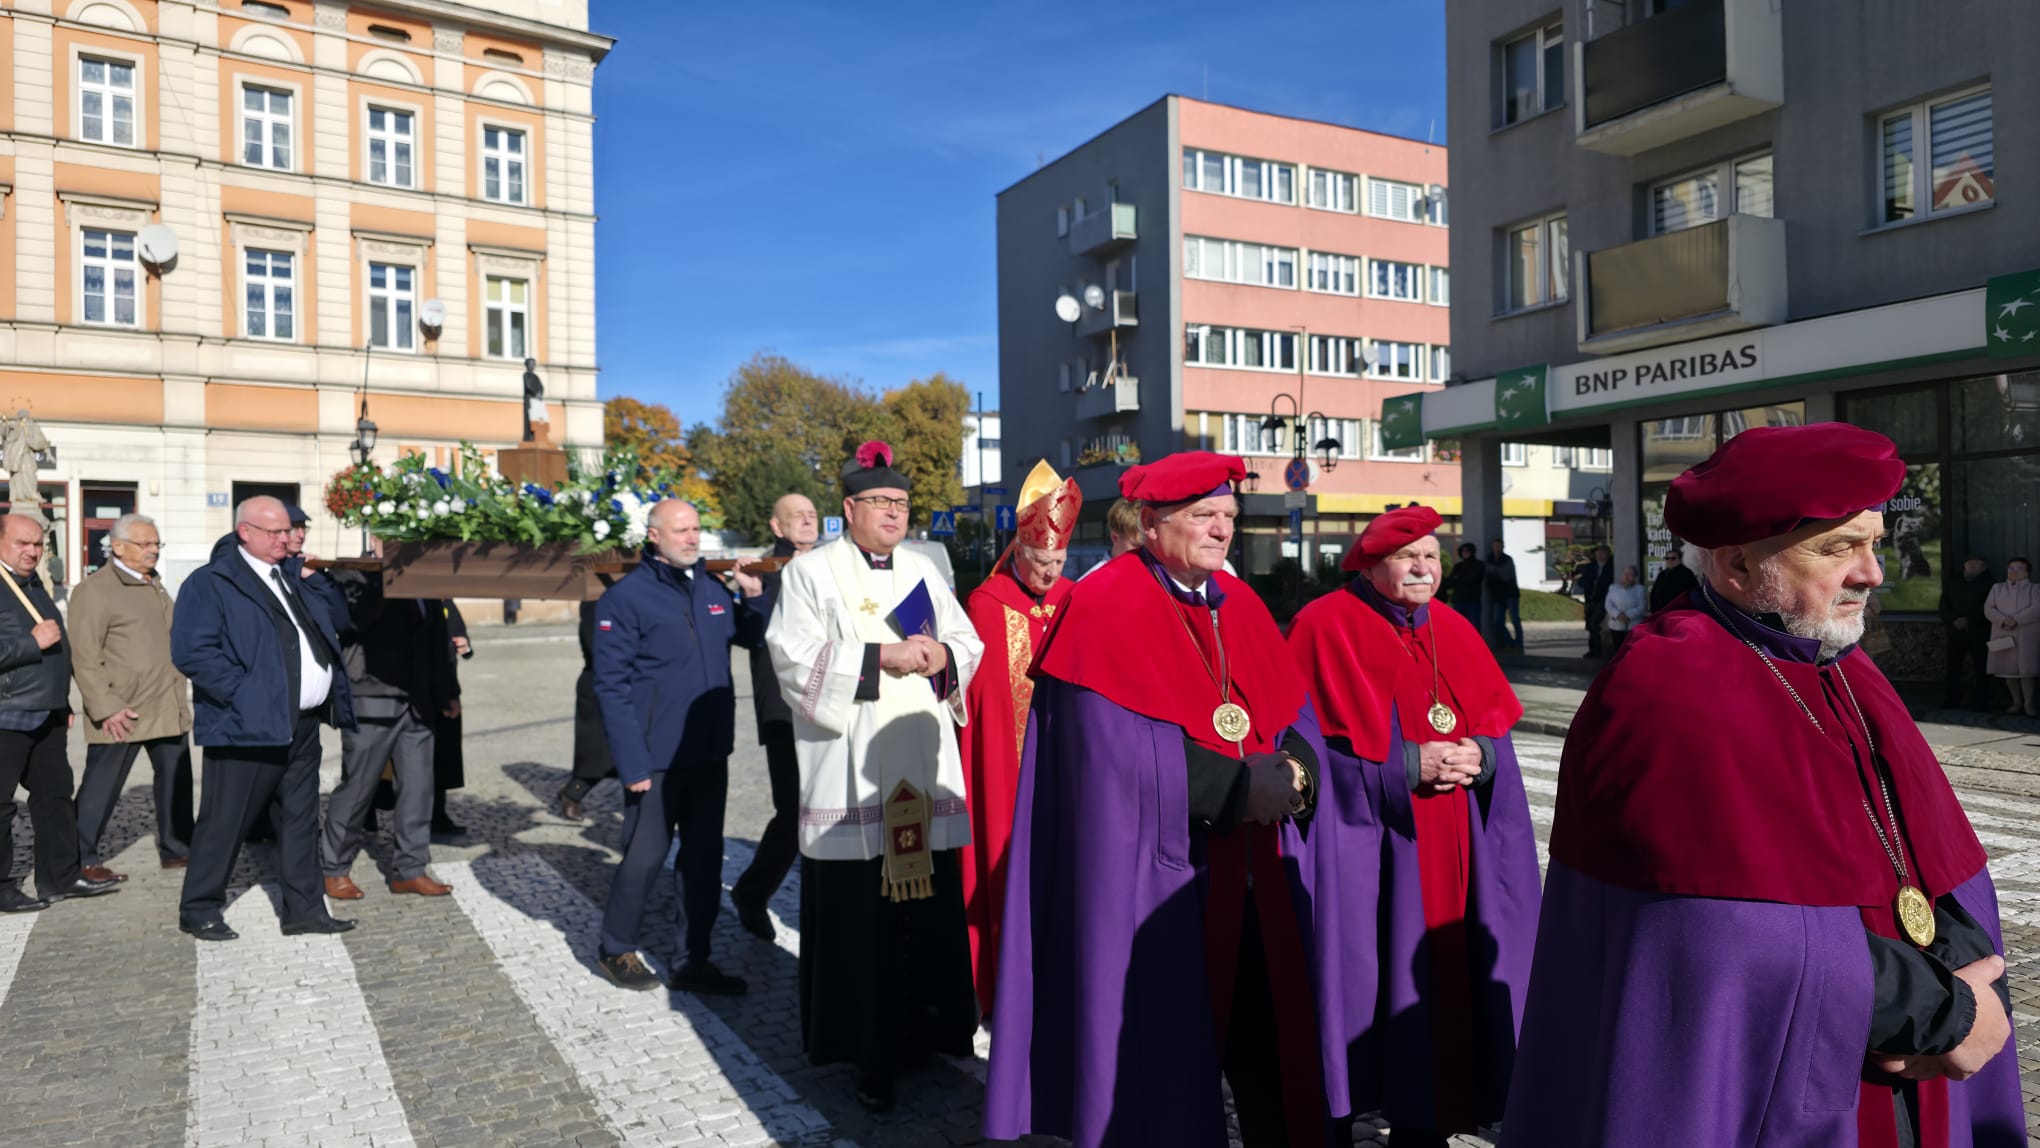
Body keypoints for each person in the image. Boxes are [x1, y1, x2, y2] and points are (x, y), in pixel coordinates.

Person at [1507, 424, 2023, 1146]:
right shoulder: (1666, 688)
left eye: (1873, 543)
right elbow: (1720, 938)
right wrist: (1943, 1012)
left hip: (1903, 1041)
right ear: (1738, 564)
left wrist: (1959, 961)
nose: (1872, 573)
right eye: (1839, 547)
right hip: (1782, 1081)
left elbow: (1923, 850)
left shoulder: (1833, 660)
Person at [986, 451, 1333, 1148]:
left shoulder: (1241, 602)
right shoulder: (1101, 605)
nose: (1221, 530)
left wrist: (1294, 774)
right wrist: (1239, 788)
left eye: (1229, 517)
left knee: (1276, 1067)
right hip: (1160, 885)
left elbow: (1295, 712)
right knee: (1163, 1076)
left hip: (1257, 882)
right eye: (1203, 516)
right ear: (1150, 524)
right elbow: (1106, 760)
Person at [1287, 506, 1539, 1148]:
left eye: (1432, 555)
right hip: (1369, 857)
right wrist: (1403, 764)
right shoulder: (1323, 627)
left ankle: (1425, 1130)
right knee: (1357, 996)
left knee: (1441, 1002)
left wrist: (1480, 758)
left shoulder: (1453, 626)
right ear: (1370, 565)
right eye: (1408, 557)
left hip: (1453, 853)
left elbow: (1493, 731)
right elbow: (1301, 754)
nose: (1424, 567)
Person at [765, 440, 984, 1113]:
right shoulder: (813, 573)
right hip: (851, 773)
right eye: (881, 503)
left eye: (902, 503)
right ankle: (869, 1054)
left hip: (922, 762)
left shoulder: (923, 568)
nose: (894, 513)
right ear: (849, 507)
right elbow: (791, 657)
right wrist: (878, 657)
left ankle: (930, 1031)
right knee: (862, 925)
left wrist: (942, 653)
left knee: (926, 912)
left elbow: (968, 644)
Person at [592, 500, 764, 994]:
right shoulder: (625, 600)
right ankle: (615, 947)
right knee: (645, 857)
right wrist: (632, 764)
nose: (692, 538)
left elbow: (750, 638)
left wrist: (751, 599)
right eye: (681, 530)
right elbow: (611, 686)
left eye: (696, 529)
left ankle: (693, 959)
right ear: (654, 537)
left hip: (709, 752)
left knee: (704, 860)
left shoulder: (711, 590)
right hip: (656, 759)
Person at [174, 496, 358, 942]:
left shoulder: (288, 576)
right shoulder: (212, 582)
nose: (286, 538)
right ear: (245, 532)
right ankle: (199, 909)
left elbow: (334, 624)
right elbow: (192, 652)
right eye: (275, 532)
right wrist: (246, 694)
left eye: (288, 530)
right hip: (246, 726)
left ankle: (305, 910)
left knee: (299, 820)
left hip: (302, 723)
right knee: (225, 819)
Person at [958, 459, 1079, 1017]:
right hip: (1005, 769)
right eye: (1038, 560)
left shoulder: (1075, 602)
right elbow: (976, 701)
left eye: (1057, 561)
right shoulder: (985, 606)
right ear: (1016, 551)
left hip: (1066, 764)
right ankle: (1003, 985)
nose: (1049, 573)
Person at [320, 553, 459, 900]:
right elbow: (350, 623)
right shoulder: (356, 572)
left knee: (418, 789)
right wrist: (387, 580)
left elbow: (437, 638)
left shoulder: (424, 573)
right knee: (358, 788)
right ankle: (333, 867)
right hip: (372, 697)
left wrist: (447, 692)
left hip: (418, 703)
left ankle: (409, 870)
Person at [0, 515, 121, 913]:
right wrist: (28, 645)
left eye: (38, 544)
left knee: (54, 798)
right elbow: (34, 643)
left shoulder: (32, 584)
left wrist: (62, 701)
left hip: (46, 712)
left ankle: (60, 877)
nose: (32, 552)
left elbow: (58, 650)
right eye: (22, 543)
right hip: (7, 714)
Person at [70, 512, 194, 875]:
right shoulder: (94, 591)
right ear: (119, 547)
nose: (153, 550)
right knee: (101, 787)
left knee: (177, 781)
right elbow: (85, 655)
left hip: (166, 704)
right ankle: (79, 857)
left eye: (157, 543)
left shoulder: (154, 585)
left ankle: (177, 846)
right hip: (122, 710)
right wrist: (106, 708)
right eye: (145, 544)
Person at [730, 491, 821, 940]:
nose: (807, 521)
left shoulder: (832, 567)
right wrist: (752, 597)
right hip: (784, 708)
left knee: (831, 805)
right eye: (796, 517)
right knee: (793, 812)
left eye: (811, 514)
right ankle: (751, 892)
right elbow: (752, 638)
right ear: (777, 527)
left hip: (834, 701)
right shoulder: (762, 572)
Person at [556, 595, 614, 822]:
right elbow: (595, 646)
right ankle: (573, 793)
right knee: (596, 753)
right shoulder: (594, 601)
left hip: (626, 683)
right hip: (599, 684)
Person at [1985, 556, 2039, 717]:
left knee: (2027, 672)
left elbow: (2036, 609)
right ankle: (2016, 702)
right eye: (2011, 568)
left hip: (2026, 635)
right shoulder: (1997, 588)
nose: (2014, 572)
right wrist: (2003, 620)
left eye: (2019, 568)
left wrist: (2016, 620)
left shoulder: (2035, 589)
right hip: (2003, 633)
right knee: (2008, 672)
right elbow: (1989, 608)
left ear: (2027, 572)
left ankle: (2029, 704)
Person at [1942, 556, 1995, 709]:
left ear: (1983, 567)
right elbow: (1944, 604)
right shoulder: (1954, 581)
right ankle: (1952, 699)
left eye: (1975, 564)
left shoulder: (1990, 584)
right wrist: (1953, 620)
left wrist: (1969, 620)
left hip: (1979, 631)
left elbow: (1989, 606)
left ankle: (1982, 701)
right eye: (1969, 564)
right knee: (1953, 667)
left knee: (1981, 667)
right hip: (1955, 631)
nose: (1971, 567)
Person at [1079, 496, 1143, 579]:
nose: (1143, 552)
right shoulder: (1092, 581)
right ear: (1115, 537)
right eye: (1135, 545)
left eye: (1147, 547)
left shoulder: (1155, 573)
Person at [1483, 539, 1522, 649]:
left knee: (1515, 619)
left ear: (1502, 547)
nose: (1497, 548)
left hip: (1510, 594)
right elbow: (1488, 577)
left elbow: (1506, 575)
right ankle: (1511, 643)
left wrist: (1493, 570)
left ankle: (1519, 644)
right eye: (1495, 546)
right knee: (1497, 621)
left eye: (1499, 546)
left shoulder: (1507, 559)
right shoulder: (1490, 559)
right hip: (1497, 595)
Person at [1578, 544, 1615, 657]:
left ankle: (1599, 650)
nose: (1599, 556)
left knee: (1595, 624)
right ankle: (1593, 650)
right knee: (1590, 625)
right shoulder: (1590, 567)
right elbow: (1581, 582)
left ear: (1608, 554)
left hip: (1603, 599)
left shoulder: (1611, 566)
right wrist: (1590, 585)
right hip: (1590, 599)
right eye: (1597, 553)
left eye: (1602, 553)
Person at [1602, 564, 1646, 656]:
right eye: (1625, 573)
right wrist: (1618, 615)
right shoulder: (1613, 588)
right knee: (1618, 650)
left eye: (1630, 574)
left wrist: (1627, 615)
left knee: (1633, 650)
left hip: (1633, 624)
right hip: (1616, 624)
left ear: (1634, 576)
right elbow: (1608, 605)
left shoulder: (1640, 589)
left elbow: (1642, 606)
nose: (1626, 576)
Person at [1647, 544, 1698, 614]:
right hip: (1662, 613)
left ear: (1679, 559)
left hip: (1679, 613)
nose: (1670, 560)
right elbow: (1654, 594)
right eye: (1667, 558)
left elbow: (1693, 593)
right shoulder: (1662, 575)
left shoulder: (1686, 574)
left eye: (1673, 558)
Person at [1441, 540, 1484, 611]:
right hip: (1458, 600)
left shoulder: (1479, 565)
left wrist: (1458, 578)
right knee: (1458, 621)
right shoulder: (1458, 566)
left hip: (1473, 601)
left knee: (1473, 622)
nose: (1465, 553)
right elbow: (1450, 582)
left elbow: (1473, 579)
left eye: (1467, 551)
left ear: (1472, 552)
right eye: (1463, 551)